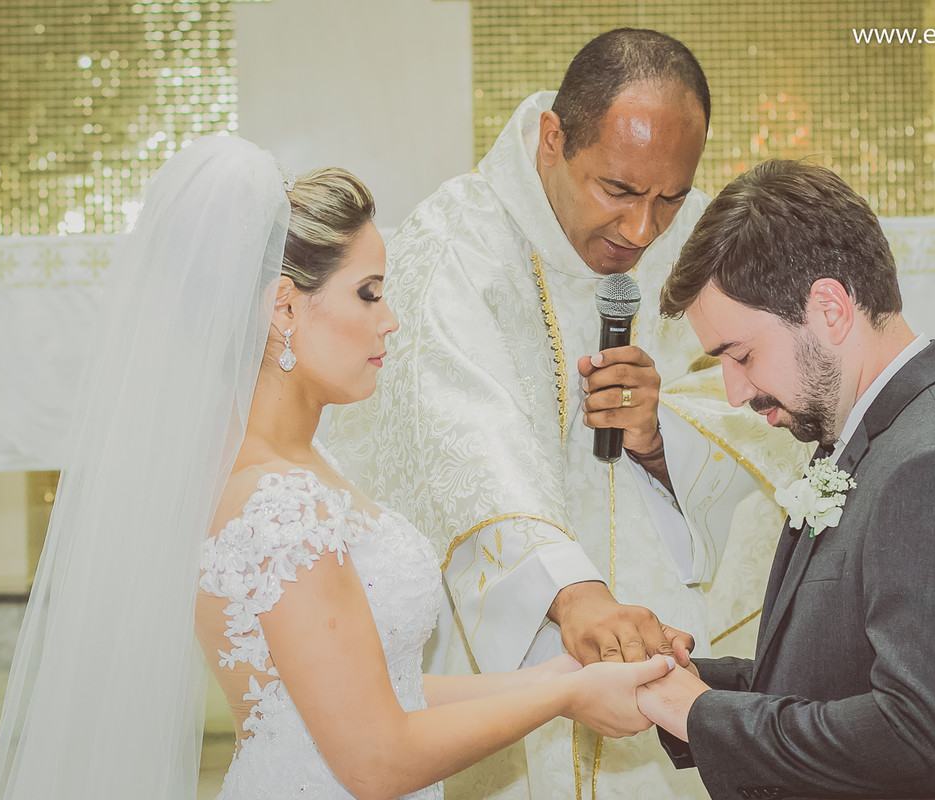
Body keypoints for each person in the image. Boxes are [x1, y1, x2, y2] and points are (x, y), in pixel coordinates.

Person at [0, 135, 680, 800]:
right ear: (284, 309)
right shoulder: (280, 504)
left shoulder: (296, 467)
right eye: (369, 293)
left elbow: (377, 693)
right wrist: (562, 698)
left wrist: (561, 675)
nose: (390, 321)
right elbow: (377, 758)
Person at [328, 27, 808, 800]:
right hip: (515, 643)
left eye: (669, 198)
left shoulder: (687, 237)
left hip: (657, 635)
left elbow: (754, 403)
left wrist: (660, 433)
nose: (640, 231)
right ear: (553, 137)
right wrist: (572, 592)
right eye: (617, 191)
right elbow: (458, 438)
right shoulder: (457, 246)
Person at [636, 159, 935, 799]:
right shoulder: (864, 438)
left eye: (740, 355)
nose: (734, 389)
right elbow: (829, 681)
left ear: (830, 309)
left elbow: (916, 740)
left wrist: (695, 712)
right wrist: (676, 680)